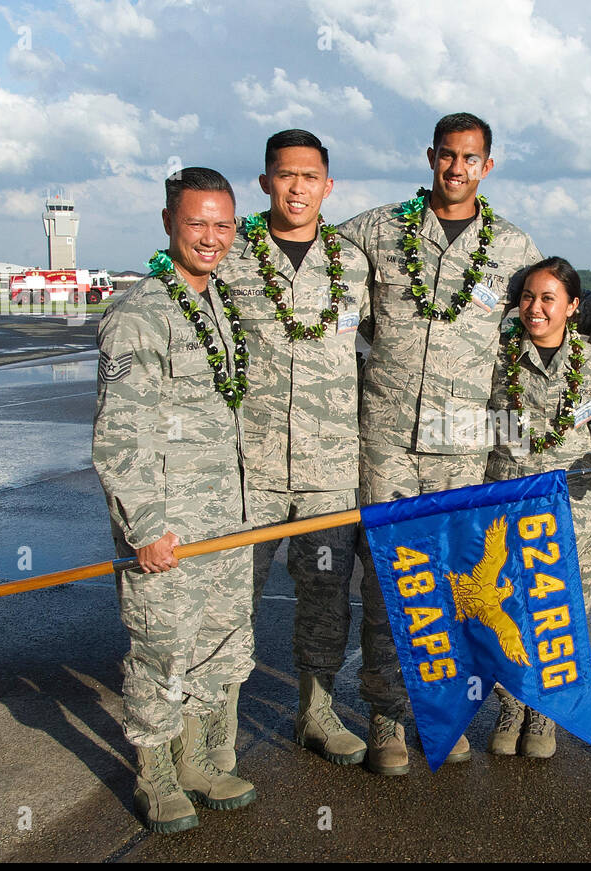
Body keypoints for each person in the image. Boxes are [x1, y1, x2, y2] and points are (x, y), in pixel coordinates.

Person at [337, 112, 542, 774]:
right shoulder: (376, 230)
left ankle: (441, 711)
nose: (457, 168)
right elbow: (313, 265)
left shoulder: (512, 248)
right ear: (430, 156)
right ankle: (387, 714)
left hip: (462, 445)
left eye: (470, 158)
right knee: (389, 579)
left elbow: (547, 318)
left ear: (489, 165)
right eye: (448, 155)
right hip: (388, 442)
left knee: (453, 582)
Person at [93, 167, 257, 833]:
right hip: (169, 527)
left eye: (224, 225)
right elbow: (119, 434)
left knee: (218, 644)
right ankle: (155, 775)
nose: (211, 237)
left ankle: (197, 762)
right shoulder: (138, 316)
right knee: (161, 651)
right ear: (168, 223)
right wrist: (145, 526)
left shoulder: (218, 305)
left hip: (226, 520)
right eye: (197, 223)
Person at [216, 130, 373, 767]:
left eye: (310, 177)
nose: (298, 188)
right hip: (247, 466)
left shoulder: (354, 263)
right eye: (286, 175)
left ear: (328, 186)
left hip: (329, 469)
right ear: (265, 183)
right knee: (230, 598)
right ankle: (215, 729)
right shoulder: (229, 255)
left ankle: (317, 711)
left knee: (327, 595)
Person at [483, 256, 591, 758]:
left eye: (549, 298)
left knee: (559, 612)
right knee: (507, 606)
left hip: (572, 507)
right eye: (528, 297)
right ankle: (512, 704)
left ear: (573, 306)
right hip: (507, 502)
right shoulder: (496, 353)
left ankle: (544, 712)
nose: (536, 308)